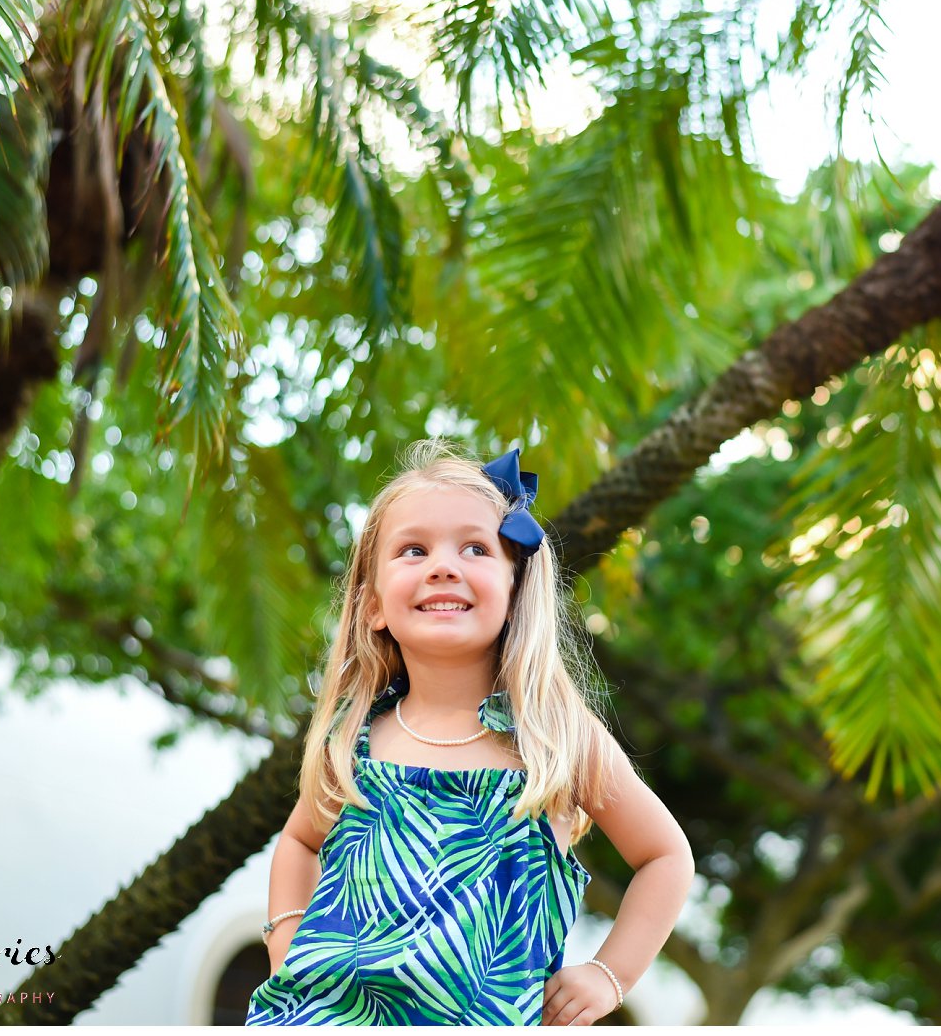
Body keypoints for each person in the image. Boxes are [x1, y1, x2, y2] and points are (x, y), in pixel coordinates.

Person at [246, 439, 694, 1026]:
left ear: (515, 590)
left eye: (475, 548)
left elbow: (665, 855)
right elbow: (299, 842)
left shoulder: (553, 738)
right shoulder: (354, 737)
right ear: (373, 604)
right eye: (413, 549)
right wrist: (286, 939)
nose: (442, 565)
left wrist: (610, 974)